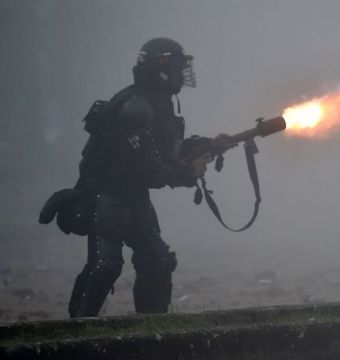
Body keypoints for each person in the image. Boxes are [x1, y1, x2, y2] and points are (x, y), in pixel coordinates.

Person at [39, 37, 230, 317]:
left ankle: (152, 326)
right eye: (177, 68)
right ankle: (75, 332)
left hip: (132, 195)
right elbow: (152, 169)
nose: (181, 75)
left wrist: (211, 144)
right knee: (106, 265)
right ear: (160, 69)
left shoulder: (157, 103)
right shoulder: (136, 107)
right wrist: (191, 172)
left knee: (157, 260)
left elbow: (166, 150)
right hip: (106, 196)